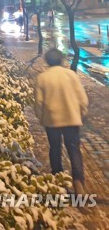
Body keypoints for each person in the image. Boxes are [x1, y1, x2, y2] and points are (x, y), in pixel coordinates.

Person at [34, 49, 89, 195]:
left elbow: (39, 103)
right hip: (71, 118)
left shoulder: (42, 78)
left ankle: (58, 178)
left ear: (47, 61)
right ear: (61, 60)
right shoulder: (71, 75)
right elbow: (82, 99)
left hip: (52, 120)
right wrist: (81, 115)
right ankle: (78, 181)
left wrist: (42, 118)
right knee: (74, 149)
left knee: (55, 148)